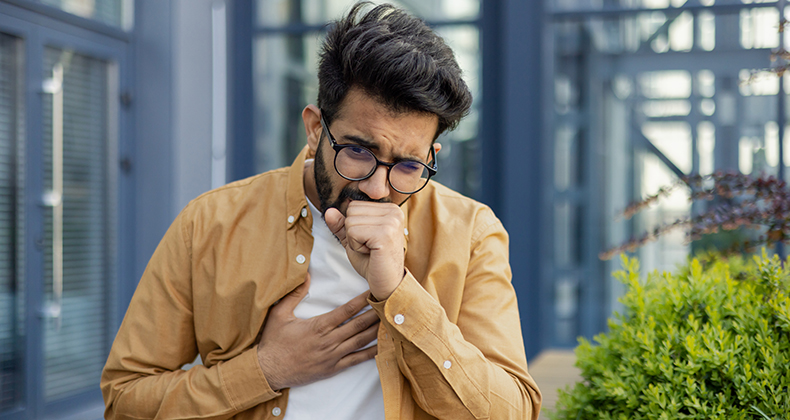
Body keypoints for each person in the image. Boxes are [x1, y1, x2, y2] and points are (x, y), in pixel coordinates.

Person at [101, 3, 542, 419]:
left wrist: (399, 293)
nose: (376, 187)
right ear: (315, 129)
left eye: (408, 165)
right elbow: (124, 400)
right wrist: (267, 369)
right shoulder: (210, 223)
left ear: (431, 154)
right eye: (357, 151)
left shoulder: (470, 232)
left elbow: (512, 411)